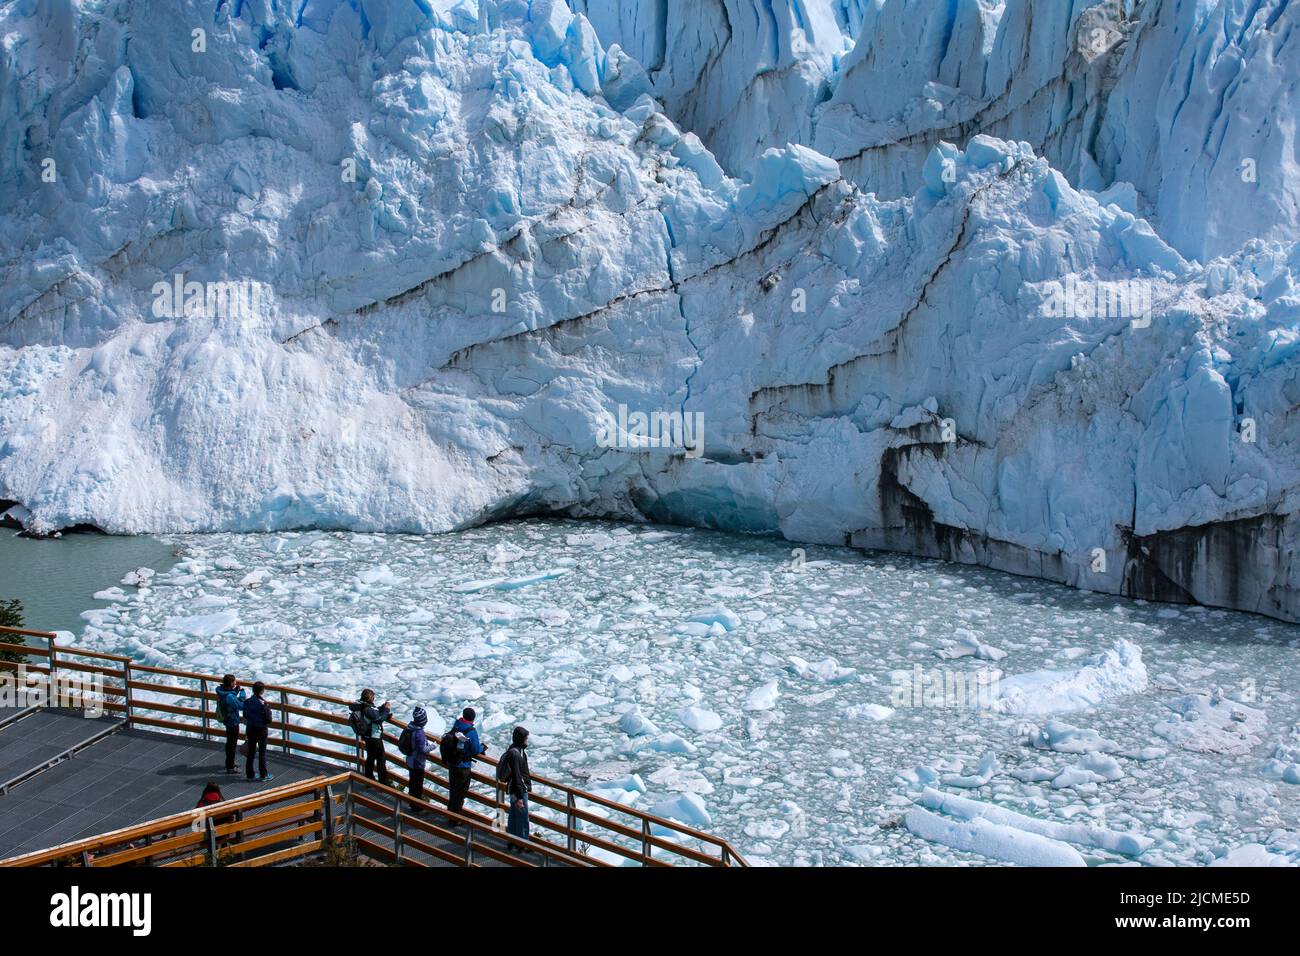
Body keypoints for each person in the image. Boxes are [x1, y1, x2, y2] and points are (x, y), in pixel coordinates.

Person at [446, 706, 486, 818]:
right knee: (460, 792)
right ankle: (454, 818)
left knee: (453, 790)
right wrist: (482, 748)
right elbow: (474, 749)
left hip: (452, 762)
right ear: (473, 719)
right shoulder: (471, 731)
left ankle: (450, 813)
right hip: (462, 765)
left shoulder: (457, 725)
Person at [349, 689, 391, 784]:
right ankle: (383, 782)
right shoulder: (367, 708)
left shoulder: (360, 704)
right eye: (373, 697)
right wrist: (387, 709)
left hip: (367, 735)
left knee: (371, 757)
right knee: (381, 759)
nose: (374, 698)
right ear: (370, 698)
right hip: (374, 736)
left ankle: (369, 779)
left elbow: (374, 712)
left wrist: (381, 708)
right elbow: (379, 718)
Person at [499, 725, 532, 844]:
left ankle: (512, 841)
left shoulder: (516, 750)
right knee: (522, 818)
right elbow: (517, 776)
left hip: (514, 788)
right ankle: (522, 843)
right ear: (520, 739)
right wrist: (519, 797)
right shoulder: (516, 754)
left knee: (514, 816)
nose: (527, 740)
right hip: (518, 790)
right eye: (525, 738)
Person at [215, 674, 246, 775]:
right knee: (232, 744)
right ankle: (230, 767)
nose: (235, 683)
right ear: (231, 683)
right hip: (232, 721)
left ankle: (230, 762)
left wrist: (235, 691)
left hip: (227, 720)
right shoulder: (229, 697)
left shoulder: (221, 690)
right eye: (234, 682)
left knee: (230, 742)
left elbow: (229, 698)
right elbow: (240, 705)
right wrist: (242, 695)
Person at [405, 706, 436, 806]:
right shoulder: (419, 733)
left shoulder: (410, 727)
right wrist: (433, 746)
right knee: (417, 785)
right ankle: (416, 807)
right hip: (417, 762)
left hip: (410, 759)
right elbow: (423, 749)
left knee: (412, 782)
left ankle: (412, 802)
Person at [243, 681, 273, 782]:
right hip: (261, 730)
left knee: (251, 752)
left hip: (251, 728)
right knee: (262, 753)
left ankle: (250, 774)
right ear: (262, 691)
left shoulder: (247, 702)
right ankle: (263, 775)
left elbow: (245, 715)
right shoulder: (264, 704)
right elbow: (268, 719)